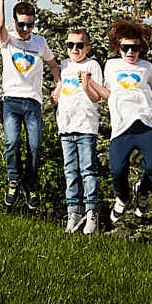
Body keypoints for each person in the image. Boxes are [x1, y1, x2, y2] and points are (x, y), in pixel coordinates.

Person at [0, 0, 55, 208]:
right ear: (14, 22)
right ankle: (13, 179)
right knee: (12, 142)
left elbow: (53, 64)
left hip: (33, 102)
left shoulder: (40, 42)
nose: (25, 29)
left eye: (30, 25)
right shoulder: (8, 40)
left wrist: (59, 84)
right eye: (21, 24)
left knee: (35, 146)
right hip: (11, 100)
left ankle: (30, 183)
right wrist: (1, 2)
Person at [102, 19, 152, 218]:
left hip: (144, 123)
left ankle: (142, 191)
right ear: (117, 47)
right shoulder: (111, 66)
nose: (130, 52)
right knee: (117, 170)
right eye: (125, 47)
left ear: (140, 48)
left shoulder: (146, 67)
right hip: (121, 125)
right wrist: (87, 84)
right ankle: (122, 198)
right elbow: (106, 92)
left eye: (134, 48)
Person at [53, 24, 109, 234]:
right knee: (70, 171)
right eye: (70, 45)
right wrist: (55, 96)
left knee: (87, 170)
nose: (75, 49)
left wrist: (86, 85)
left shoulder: (92, 65)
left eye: (79, 45)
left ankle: (91, 212)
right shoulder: (64, 65)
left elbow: (96, 97)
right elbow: (60, 90)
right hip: (66, 126)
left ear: (87, 48)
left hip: (85, 126)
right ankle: (73, 212)